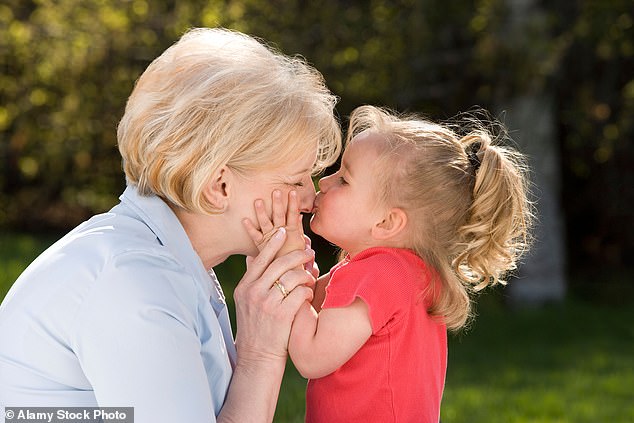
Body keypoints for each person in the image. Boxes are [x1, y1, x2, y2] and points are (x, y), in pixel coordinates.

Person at [0, 28, 342, 422]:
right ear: (220, 185)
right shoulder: (133, 282)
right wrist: (260, 353)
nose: (308, 200)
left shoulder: (171, 263)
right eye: (295, 180)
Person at [245, 105, 533, 422]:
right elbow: (309, 311)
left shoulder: (381, 273)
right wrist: (288, 256)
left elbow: (311, 354)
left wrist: (286, 257)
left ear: (386, 222)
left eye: (344, 180)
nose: (324, 183)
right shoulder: (408, 272)